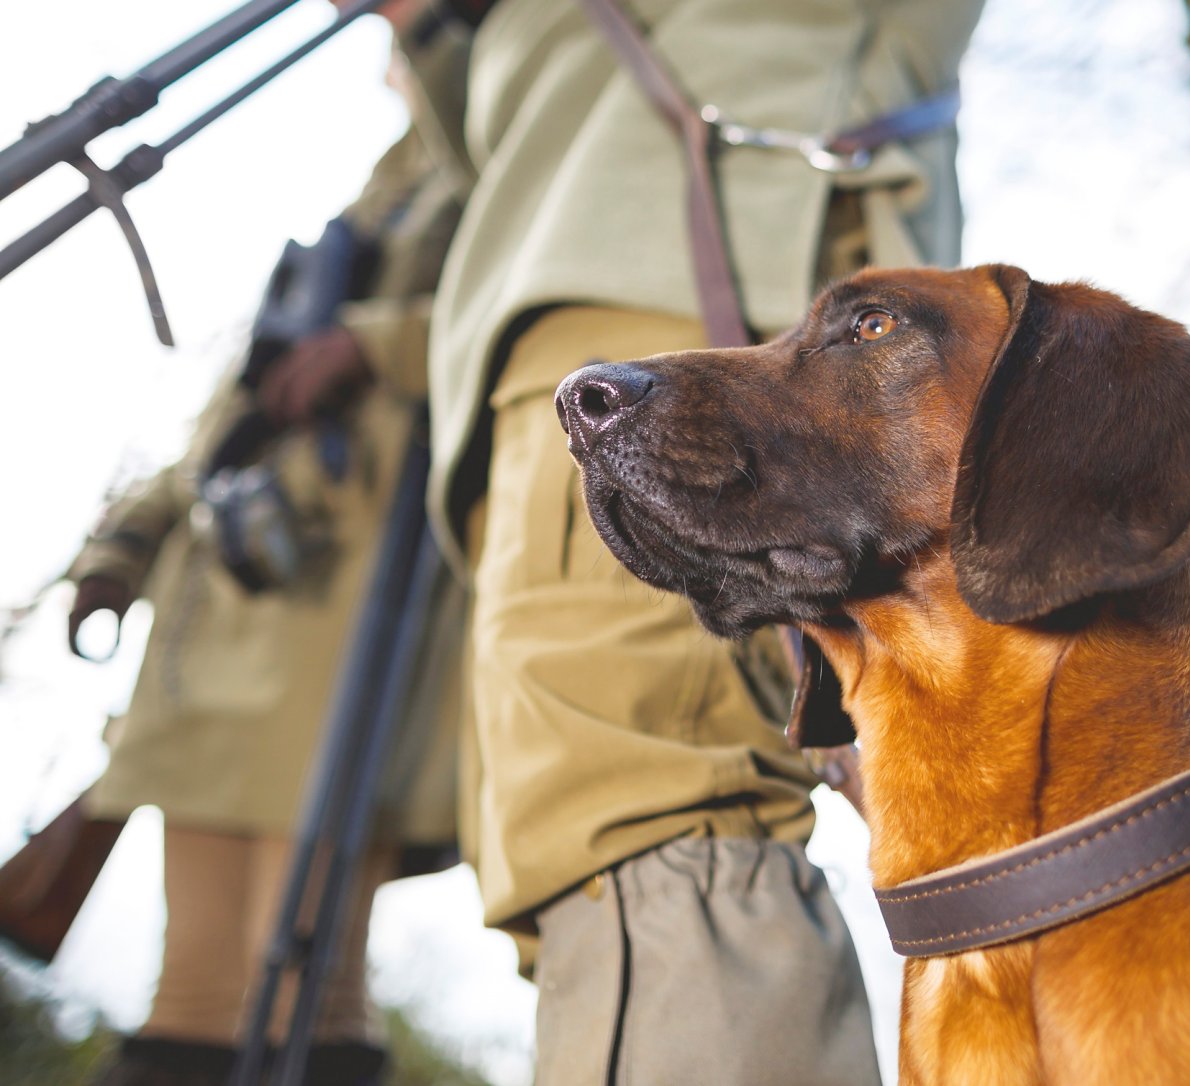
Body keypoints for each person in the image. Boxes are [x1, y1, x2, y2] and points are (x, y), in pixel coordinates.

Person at [427, 1, 988, 1081]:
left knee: (649, 814)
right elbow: (515, 137)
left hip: (689, 290)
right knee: (584, 849)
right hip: (568, 327)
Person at [61, 5, 476, 1083]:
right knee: (191, 990)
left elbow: (531, 320)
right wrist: (123, 546)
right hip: (224, 602)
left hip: (355, 609)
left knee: (303, 986)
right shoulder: (377, 189)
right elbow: (228, 405)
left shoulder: (499, 160)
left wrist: (374, 345)